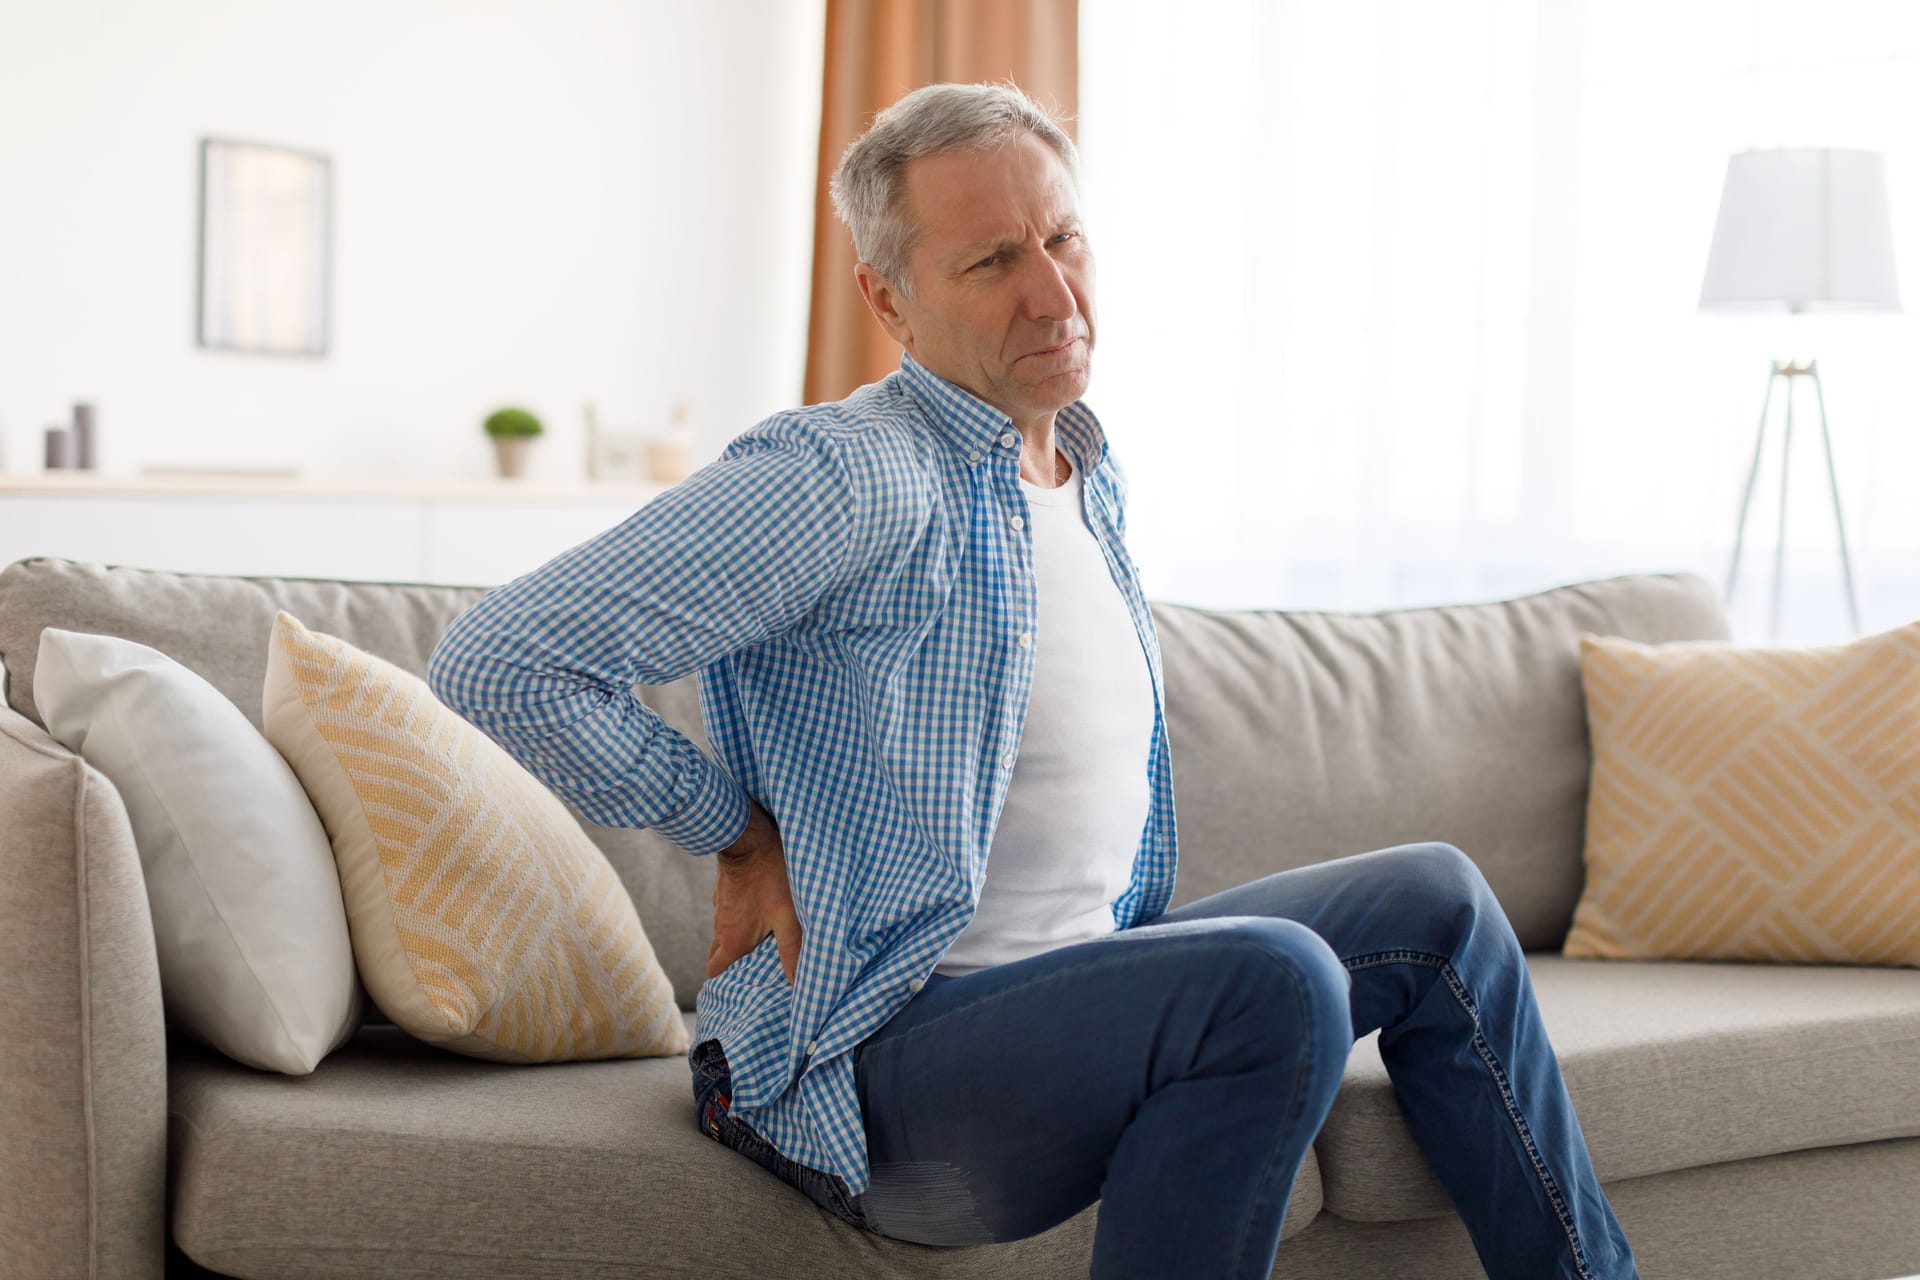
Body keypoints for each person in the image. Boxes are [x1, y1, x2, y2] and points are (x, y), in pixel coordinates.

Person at [426, 81, 1640, 1280]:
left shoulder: (1082, 470)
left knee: (1441, 898)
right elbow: (504, 659)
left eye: (1064, 238)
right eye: (994, 259)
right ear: (888, 300)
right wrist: (739, 836)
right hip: (879, 1050)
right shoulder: (843, 474)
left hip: (1064, 993)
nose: (1054, 292)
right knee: (1275, 981)